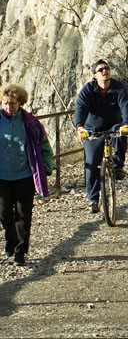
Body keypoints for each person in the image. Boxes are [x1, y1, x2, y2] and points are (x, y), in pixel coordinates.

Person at [0, 84, 53, 266]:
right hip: (2, 177)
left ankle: (20, 251)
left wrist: (46, 167)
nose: (9, 107)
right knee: (4, 213)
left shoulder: (30, 123)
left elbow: (44, 145)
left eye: (12, 104)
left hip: (24, 176)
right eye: (5, 103)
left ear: (20, 103)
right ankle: (10, 239)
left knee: (23, 214)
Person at [75, 60, 128, 213]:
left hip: (113, 124)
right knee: (91, 163)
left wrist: (127, 124)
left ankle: (118, 166)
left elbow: (125, 107)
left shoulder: (118, 87)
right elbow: (80, 108)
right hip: (92, 128)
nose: (104, 71)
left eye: (106, 68)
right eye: (100, 70)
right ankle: (93, 199)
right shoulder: (88, 89)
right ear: (95, 75)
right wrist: (80, 127)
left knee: (120, 135)